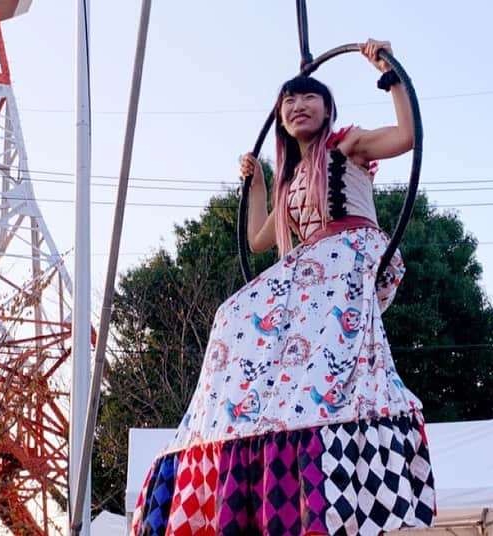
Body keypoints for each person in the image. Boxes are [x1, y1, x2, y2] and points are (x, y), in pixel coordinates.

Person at [131, 39, 435, 536]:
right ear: (280, 117)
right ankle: (252, 429)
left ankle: (335, 430)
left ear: (327, 107)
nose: (297, 106)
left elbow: (407, 135)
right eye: (288, 101)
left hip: (349, 257)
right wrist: (255, 185)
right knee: (232, 314)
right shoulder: (290, 181)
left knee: (325, 365)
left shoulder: (346, 146)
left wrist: (389, 73)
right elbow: (257, 238)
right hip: (313, 275)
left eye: (307, 97)